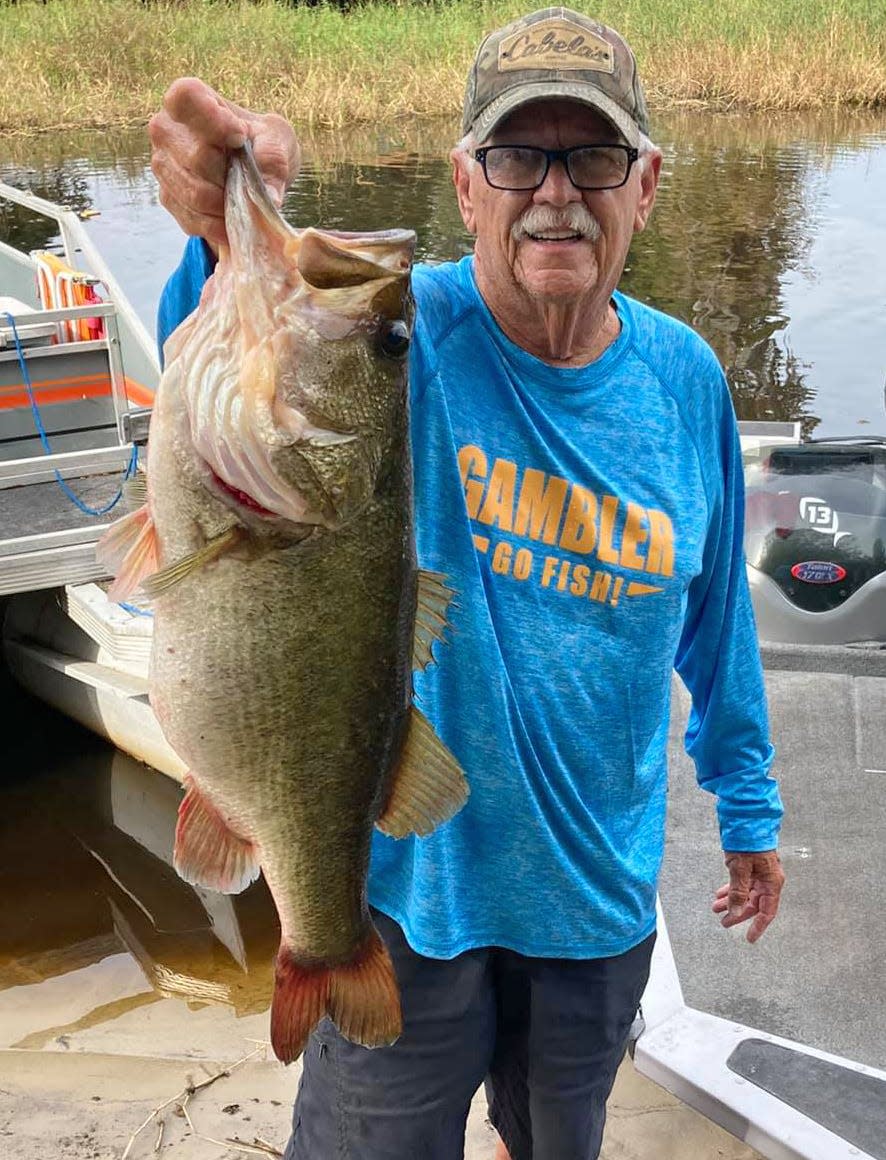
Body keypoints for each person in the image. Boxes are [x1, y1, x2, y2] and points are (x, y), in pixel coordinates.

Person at [149, 9, 785, 1159]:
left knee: (555, 1139)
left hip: (594, 897)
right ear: (466, 182)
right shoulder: (405, 330)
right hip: (410, 893)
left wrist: (747, 803)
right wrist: (225, 217)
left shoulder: (686, 376)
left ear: (644, 186)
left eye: (591, 157)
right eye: (515, 156)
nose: (554, 192)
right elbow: (249, 371)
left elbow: (715, 620)